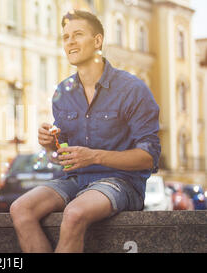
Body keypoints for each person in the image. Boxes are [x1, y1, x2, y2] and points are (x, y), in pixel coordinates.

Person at [10, 10, 161, 253]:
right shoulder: (64, 92)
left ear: (97, 41)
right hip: (76, 180)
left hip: (121, 182)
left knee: (74, 213)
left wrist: (94, 156)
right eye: (66, 37)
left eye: (78, 34)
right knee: (20, 209)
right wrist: (51, 145)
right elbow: (65, 159)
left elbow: (149, 157)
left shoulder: (132, 89)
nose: (70, 41)